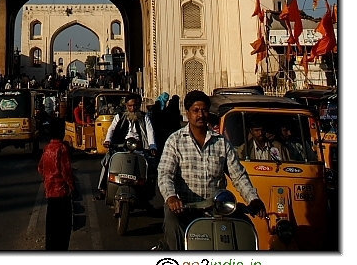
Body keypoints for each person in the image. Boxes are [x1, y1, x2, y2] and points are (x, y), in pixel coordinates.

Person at [156, 91, 266, 250]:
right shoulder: (175, 141)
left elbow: (239, 175)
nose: (200, 115)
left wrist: (253, 199)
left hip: (217, 207)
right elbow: (165, 174)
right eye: (196, 111)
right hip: (184, 208)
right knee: (173, 227)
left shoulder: (221, 142)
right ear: (187, 113)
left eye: (204, 110)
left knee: (245, 225)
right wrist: (171, 197)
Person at [94, 94, 157, 199]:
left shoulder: (144, 117)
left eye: (135, 106)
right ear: (126, 106)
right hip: (121, 146)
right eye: (130, 106)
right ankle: (104, 189)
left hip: (139, 147)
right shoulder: (119, 116)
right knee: (108, 161)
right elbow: (111, 129)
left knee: (151, 166)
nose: (132, 109)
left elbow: (150, 132)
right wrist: (108, 140)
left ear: (138, 105)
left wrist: (152, 146)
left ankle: (148, 195)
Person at [38, 117, 75, 251]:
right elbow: (66, 171)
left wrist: (49, 176)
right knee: (63, 228)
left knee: (51, 227)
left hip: (50, 191)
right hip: (62, 192)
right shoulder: (62, 148)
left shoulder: (47, 148)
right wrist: (72, 187)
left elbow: (40, 168)